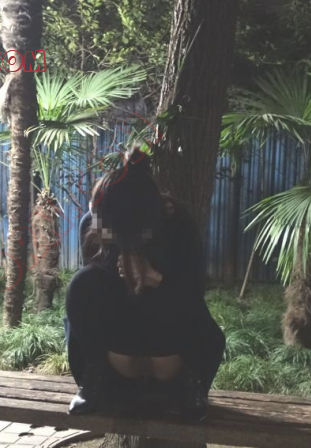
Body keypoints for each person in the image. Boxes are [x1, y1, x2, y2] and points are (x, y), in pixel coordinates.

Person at [63, 148, 226, 422]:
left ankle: (192, 383)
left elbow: (196, 299)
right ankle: (95, 377)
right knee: (81, 284)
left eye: (109, 228)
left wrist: (157, 279)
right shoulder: (94, 224)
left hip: (170, 353)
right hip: (118, 354)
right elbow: (92, 300)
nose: (98, 229)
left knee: (186, 306)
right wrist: (119, 273)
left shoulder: (177, 223)